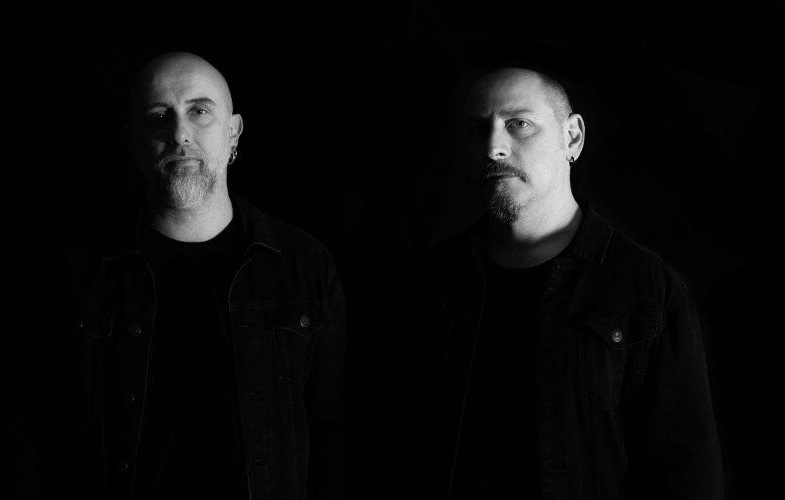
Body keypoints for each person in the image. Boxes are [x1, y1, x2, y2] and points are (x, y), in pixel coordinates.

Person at [410, 67, 723, 499]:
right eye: (478, 129)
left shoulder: (647, 290)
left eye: (519, 124)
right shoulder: (427, 283)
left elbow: (687, 475)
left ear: (572, 138)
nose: (493, 146)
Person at [68, 52, 345, 500]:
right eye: (159, 116)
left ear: (233, 132)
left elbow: (335, 437)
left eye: (199, 111)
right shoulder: (83, 276)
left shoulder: (305, 266)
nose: (179, 134)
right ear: (133, 142)